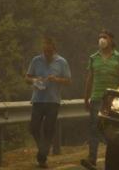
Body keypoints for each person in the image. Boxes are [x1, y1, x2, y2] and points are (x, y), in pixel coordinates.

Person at [80, 29, 119, 170]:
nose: (102, 39)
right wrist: (86, 97)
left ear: (111, 40)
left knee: (110, 131)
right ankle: (92, 158)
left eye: (105, 37)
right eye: (100, 37)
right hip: (96, 97)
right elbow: (89, 79)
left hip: (111, 100)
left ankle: (113, 159)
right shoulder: (93, 58)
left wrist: (118, 100)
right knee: (94, 128)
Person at [26, 35, 71, 168]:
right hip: (38, 100)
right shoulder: (36, 60)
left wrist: (56, 79)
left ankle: (42, 158)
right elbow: (27, 77)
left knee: (48, 129)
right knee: (33, 128)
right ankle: (43, 149)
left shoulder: (62, 62)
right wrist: (35, 80)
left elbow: (68, 81)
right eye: (45, 51)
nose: (47, 54)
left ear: (54, 50)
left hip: (53, 101)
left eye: (49, 52)